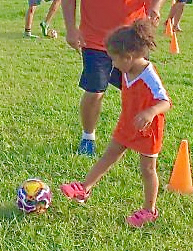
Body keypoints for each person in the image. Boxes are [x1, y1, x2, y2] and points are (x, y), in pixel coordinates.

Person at [61, 0, 170, 156]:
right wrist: (70, 28)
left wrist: (155, 7)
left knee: (138, 93)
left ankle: (137, 136)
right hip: (95, 37)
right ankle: (88, 137)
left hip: (132, 39)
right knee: (94, 90)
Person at [60, 19, 171, 228]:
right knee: (109, 155)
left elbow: (165, 101)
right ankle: (84, 188)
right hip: (128, 123)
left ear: (128, 58)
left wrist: (149, 112)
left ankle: (149, 210)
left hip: (148, 129)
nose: (113, 64)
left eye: (114, 60)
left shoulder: (149, 75)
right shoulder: (126, 70)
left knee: (148, 169)